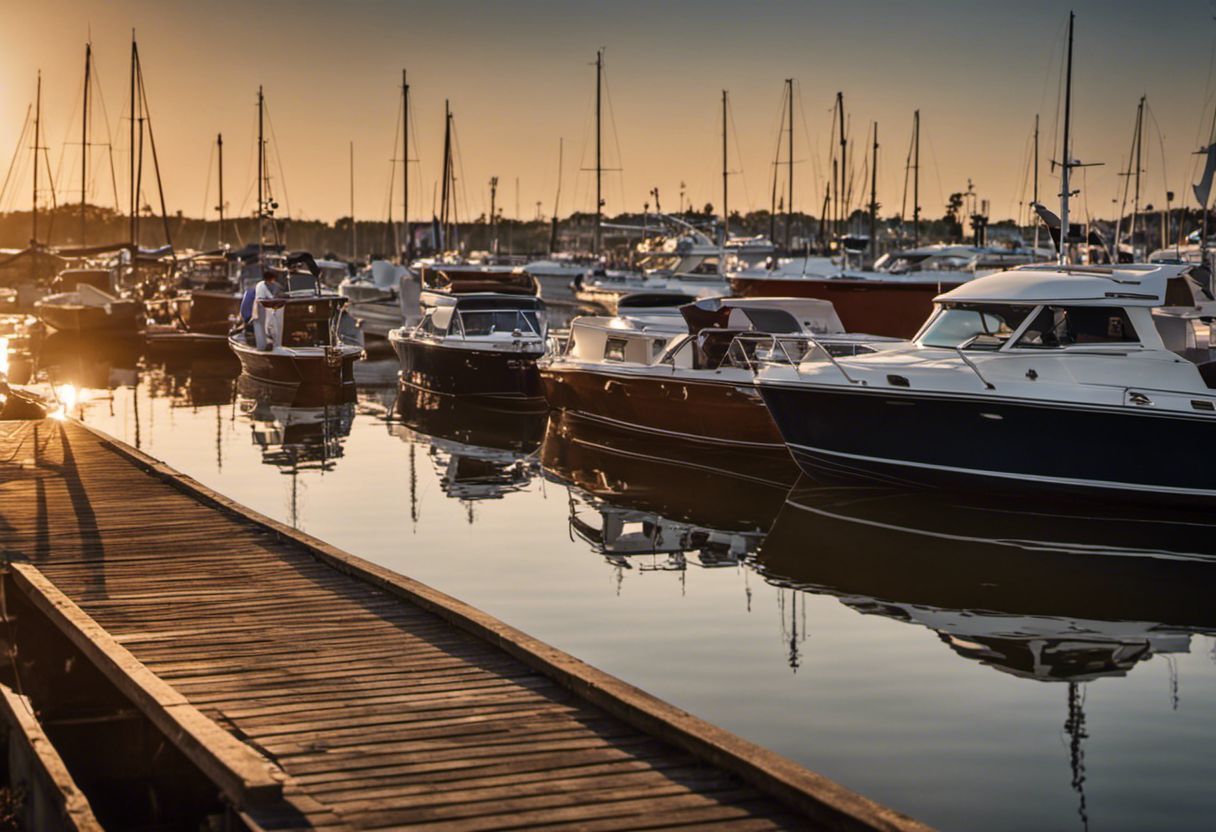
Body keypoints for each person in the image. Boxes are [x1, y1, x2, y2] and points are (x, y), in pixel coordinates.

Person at [251, 269, 282, 350]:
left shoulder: (264, 285)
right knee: (265, 326)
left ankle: (270, 342)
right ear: (270, 279)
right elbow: (261, 299)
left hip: (264, 308)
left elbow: (270, 297)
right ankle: (265, 345)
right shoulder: (261, 286)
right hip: (260, 308)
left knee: (269, 325)